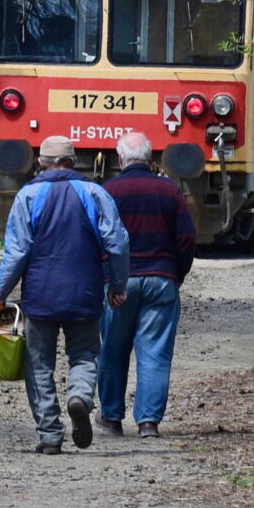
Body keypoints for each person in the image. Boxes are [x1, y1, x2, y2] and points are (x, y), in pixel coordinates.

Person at [0, 134, 130, 453]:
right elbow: (117, 243)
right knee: (85, 354)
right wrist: (117, 286)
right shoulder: (94, 192)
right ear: (72, 161)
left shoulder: (28, 196)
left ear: (41, 162)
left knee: (39, 365)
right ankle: (79, 396)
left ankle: (49, 435)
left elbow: (17, 252)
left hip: (40, 295)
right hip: (85, 293)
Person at [97, 130, 195, 438]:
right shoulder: (170, 192)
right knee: (154, 351)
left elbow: (97, 239)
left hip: (118, 283)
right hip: (161, 278)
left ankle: (111, 417)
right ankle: (148, 423)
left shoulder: (107, 191)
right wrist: (175, 273)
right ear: (151, 159)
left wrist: (104, 275)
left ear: (120, 159)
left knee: (113, 349)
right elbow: (187, 238)